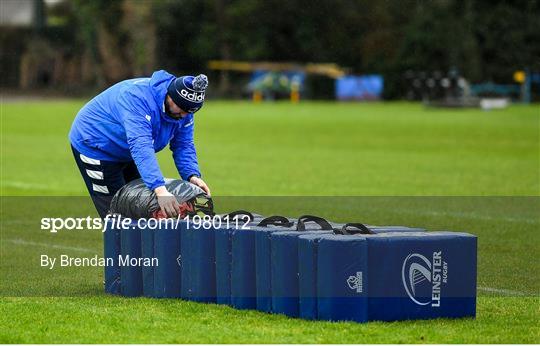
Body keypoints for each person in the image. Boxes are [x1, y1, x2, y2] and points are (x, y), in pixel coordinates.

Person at [69, 70, 211, 219]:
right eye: (180, 108)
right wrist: (159, 188)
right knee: (117, 216)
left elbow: (183, 144)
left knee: (140, 208)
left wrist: (192, 175)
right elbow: (141, 146)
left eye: (189, 112)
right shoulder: (137, 99)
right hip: (96, 145)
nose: (183, 115)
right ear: (169, 95)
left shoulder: (184, 111)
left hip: (126, 149)